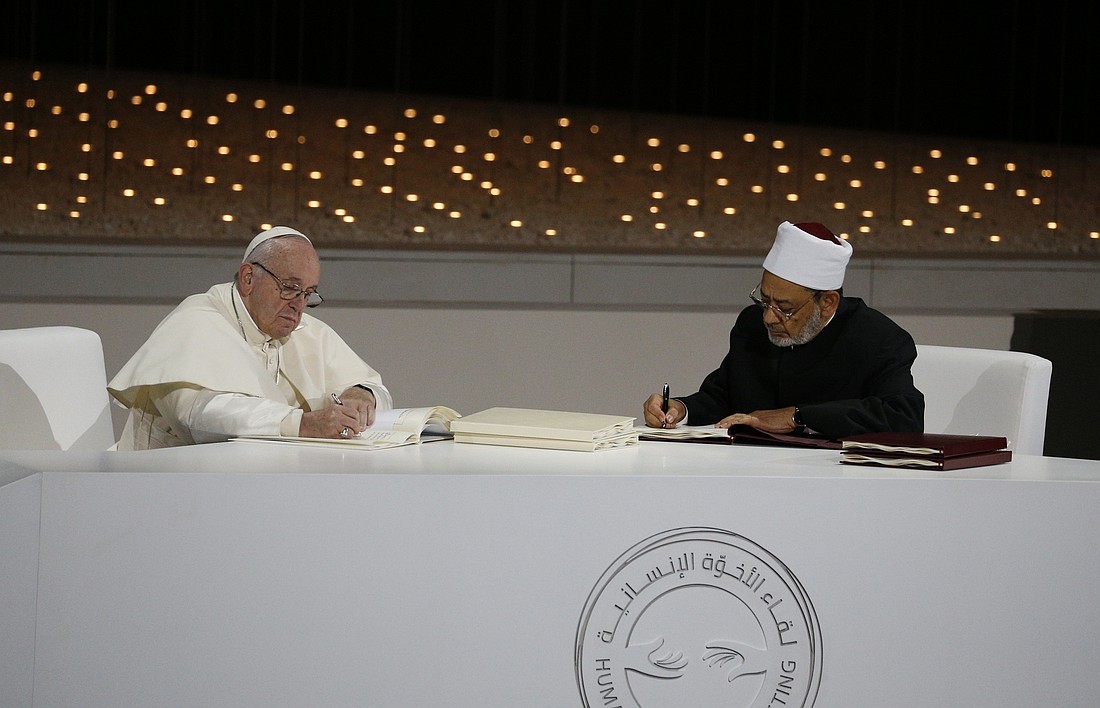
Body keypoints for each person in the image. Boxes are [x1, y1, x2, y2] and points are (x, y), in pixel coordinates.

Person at [108, 226, 392, 450]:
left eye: (308, 293)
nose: (299, 304)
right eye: (290, 287)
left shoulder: (306, 330)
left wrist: (360, 395)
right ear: (247, 279)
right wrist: (302, 424)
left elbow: (374, 387)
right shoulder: (198, 319)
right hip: (163, 485)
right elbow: (198, 417)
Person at [643, 220, 924, 439]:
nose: (768, 318)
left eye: (784, 307)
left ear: (827, 303)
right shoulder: (751, 325)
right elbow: (724, 396)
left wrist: (797, 416)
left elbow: (904, 416)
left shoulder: (879, 339)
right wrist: (680, 409)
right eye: (764, 300)